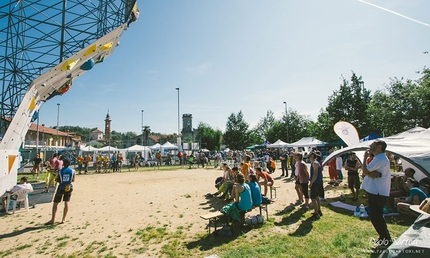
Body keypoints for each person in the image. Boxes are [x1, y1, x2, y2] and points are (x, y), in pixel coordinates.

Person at [361, 140, 392, 249]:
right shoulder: (380, 158)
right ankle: (383, 238)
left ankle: (386, 239)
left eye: (373, 144)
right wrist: (369, 173)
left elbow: (364, 170)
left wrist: (364, 157)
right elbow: (366, 172)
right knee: (377, 216)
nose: (370, 145)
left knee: (376, 217)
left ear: (379, 147)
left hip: (377, 192)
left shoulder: (380, 159)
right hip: (377, 192)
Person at [45, 159, 75, 225]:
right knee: (66, 202)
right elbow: (73, 179)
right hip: (69, 187)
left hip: (61, 187)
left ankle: (53, 219)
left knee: (56, 203)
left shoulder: (60, 171)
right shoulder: (73, 171)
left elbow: (58, 179)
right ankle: (63, 219)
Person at [309, 153, 323, 219]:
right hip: (317, 182)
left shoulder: (314, 163)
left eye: (309, 155)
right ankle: (319, 210)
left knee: (313, 197)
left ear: (312, 156)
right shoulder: (314, 162)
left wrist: (311, 183)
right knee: (317, 196)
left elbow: (315, 174)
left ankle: (316, 213)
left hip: (315, 182)